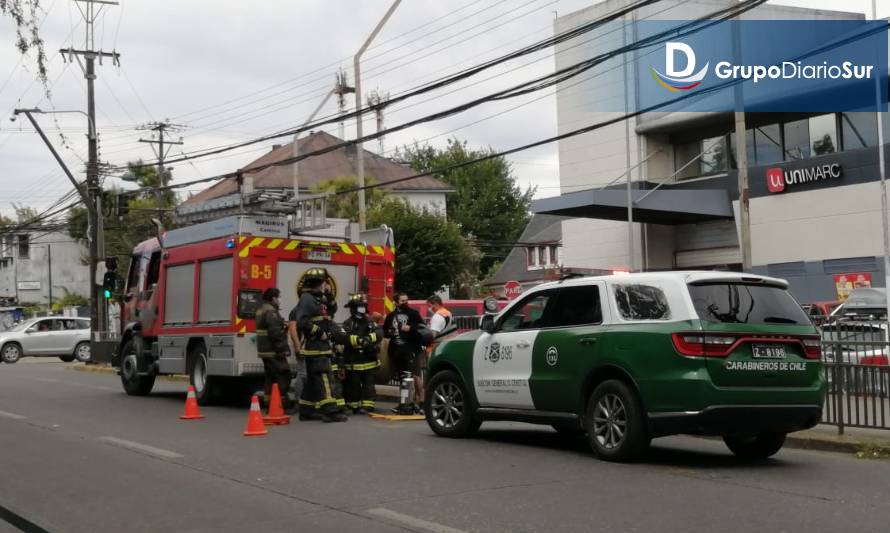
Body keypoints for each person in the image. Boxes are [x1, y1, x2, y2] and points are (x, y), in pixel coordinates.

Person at [294, 267, 347, 423]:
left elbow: (332, 309)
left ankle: (306, 410)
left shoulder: (317, 297)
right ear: (318, 283)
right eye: (324, 282)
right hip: (316, 346)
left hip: (320, 347)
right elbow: (302, 321)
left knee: (312, 381)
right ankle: (330, 412)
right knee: (325, 377)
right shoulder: (307, 298)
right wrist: (319, 332)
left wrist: (329, 294)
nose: (326, 285)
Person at [336, 293, 383, 414]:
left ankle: (368, 405)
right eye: (360, 306)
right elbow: (343, 336)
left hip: (369, 360)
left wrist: (368, 339)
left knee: (369, 385)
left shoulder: (370, 322)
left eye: (363, 306)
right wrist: (357, 340)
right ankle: (353, 405)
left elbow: (379, 333)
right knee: (353, 385)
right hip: (353, 360)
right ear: (353, 308)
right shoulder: (348, 323)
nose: (362, 308)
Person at [383, 292, 425, 412]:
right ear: (395, 302)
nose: (405, 303)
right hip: (397, 352)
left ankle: (420, 403)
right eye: (402, 301)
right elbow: (385, 332)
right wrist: (390, 331)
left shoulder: (413, 314)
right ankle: (405, 403)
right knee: (403, 379)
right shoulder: (391, 316)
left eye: (406, 300)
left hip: (412, 350)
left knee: (415, 376)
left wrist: (411, 328)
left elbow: (423, 328)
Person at [255, 288, 294, 413]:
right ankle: (280, 404)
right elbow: (275, 333)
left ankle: (269, 404)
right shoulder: (271, 312)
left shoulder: (262, 309)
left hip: (265, 350)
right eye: (279, 297)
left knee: (271, 377)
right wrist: (283, 349)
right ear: (273, 298)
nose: (280, 299)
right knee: (284, 375)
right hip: (272, 350)